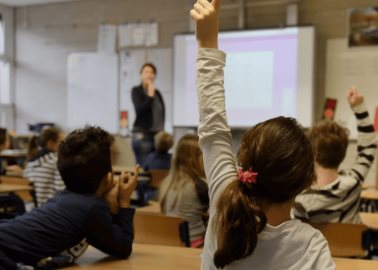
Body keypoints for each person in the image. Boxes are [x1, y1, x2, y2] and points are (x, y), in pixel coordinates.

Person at [190, 0, 335, 269]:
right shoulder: (311, 246)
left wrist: (207, 41)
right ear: (307, 181)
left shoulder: (224, 203)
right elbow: (213, 128)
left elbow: (213, 125)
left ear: (244, 164)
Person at [0, 126, 139, 269]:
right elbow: (123, 248)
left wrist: (111, 204)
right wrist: (123, 201)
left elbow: (114, 239)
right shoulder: (91, 209)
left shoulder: (64, 199)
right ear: (109, 178)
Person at [294, 87, 377, 223]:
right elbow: (369, 146)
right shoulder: (353, 184)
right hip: (350, 244)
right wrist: (358, 106)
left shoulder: (300, 200)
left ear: (312, 154)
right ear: (343, 153)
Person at [159, 134, 209, 247]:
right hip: (195, 244)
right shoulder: (198, 185)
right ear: (194, 160)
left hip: (171, 243)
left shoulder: (166, 183)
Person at [131, 63, 165, 166]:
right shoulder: (137, 91)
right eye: (146, 72)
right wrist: (150, 95)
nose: (149, 74)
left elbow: (161, 112)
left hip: (157, 135)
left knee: (154, 167)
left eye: (152, 72)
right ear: (141, 74)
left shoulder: (157, 93)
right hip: (143, 135)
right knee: (144, 168)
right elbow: (140, 110)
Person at [24, 127, 65, 206]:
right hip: (49, 211)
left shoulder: (30, 162)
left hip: (30, 211)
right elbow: (61, 191)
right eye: (61, 142)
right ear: (50, 143)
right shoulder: (56, 161)